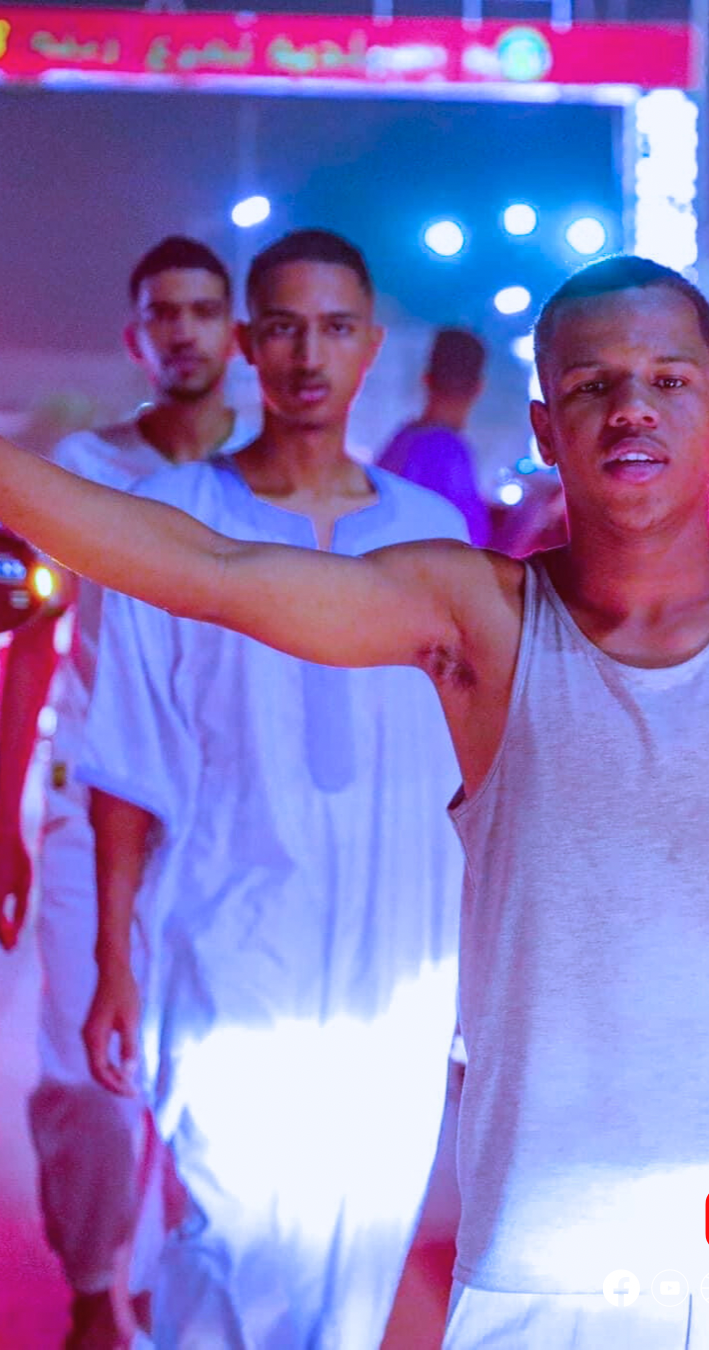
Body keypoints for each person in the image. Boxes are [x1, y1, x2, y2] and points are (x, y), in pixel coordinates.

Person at [3, 255, 709, 1347]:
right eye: (592, 384)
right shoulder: (481, 619)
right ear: (546, 425)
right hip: (553, 1268)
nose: (632, 409)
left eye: (667, 381)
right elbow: (207, 568)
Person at [78, 229, 466, 1349]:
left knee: (363, 1236)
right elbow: (125, 760)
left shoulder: (430, 536)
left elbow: (472, 768)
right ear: (249, 344)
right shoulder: (174, 523)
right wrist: (114, 962)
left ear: (370, 347)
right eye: (285, 328)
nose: (309, 355)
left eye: (335, 328)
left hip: (397, 955)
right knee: (230, 1234)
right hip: (226, 934)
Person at [0, 235, 248, 1349]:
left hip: (228, 815)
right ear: (135, 337)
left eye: (202, 310)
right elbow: (34, 645)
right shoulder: (85, 468)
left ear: (233, 333)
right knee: (85, 1075)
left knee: (217, 1058)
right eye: (164, 313)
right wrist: (5, 823)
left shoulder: (268, 474)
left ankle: (191, 1278)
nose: (183, 330)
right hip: (85, 804)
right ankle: (96, 1287)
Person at [377, 326, 491, 546]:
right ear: (479, 388)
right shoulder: (448, 452)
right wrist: (535, 510)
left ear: (426, 379)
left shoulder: (401, 440)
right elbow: (470, 553)